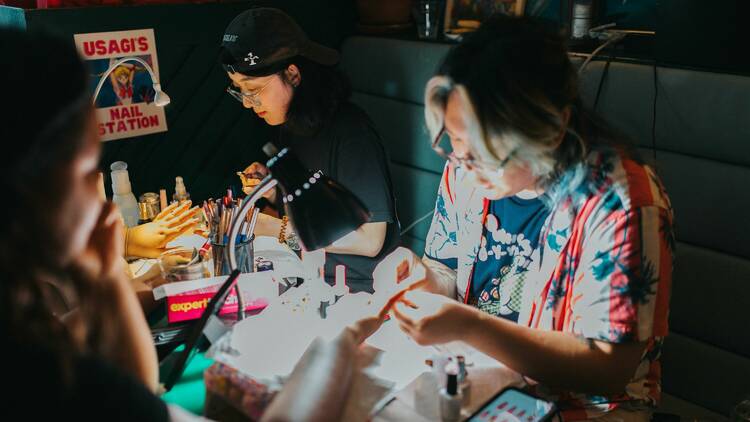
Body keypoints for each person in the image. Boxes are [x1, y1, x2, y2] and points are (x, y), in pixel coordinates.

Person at [373, 15, 674, 421]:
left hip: (587, 408)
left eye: (483, 151)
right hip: (480, 377)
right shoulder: (464, 169)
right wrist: (420, 280)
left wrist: (470, 326)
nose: (464, 164)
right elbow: (444, 269)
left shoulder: (622, 203)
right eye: (456, 143)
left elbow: (608, 369)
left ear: (550, 129)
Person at [0, 29, 174, 420]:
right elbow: (135, 405)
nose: (98, 188)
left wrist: (108, 271)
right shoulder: (30, 368)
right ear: (32, 185)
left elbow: (132, 395)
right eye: (86, 168)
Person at [219, 7, 400, 294]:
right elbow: (318, 206)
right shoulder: (291, 125)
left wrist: (279, 231)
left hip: (359, 290)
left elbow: (370, 240)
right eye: (239, 90)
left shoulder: (352, 134)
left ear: (292, 74)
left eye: (253, 89)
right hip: (307, 277)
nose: (246, 102)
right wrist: (275, 188)